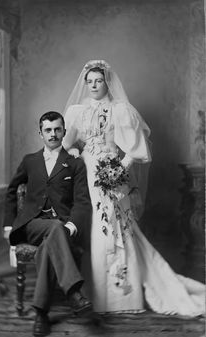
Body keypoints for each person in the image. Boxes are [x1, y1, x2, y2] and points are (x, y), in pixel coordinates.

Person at [62, 60, 205, 316]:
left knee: (116, 231)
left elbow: (136, 151)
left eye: (99, 80)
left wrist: (117, 172)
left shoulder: (121, 110)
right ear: (85, 84)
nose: (94, 85)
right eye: (90, 81)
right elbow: (67, 144)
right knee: (93, 230)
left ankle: (120, 299)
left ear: (107, 82)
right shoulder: (76, 111)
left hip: (112, 177)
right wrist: (77, 154)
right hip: (86, 178)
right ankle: (93, 295)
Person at [3, 111, 93, 337]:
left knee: (50, 243)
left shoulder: (75, 165)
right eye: (48, 130)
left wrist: (72, 226)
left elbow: (83, 202)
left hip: (61, 226)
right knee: (54, 228)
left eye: (57, 129)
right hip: (32, 224)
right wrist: (7, 224)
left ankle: (41, 314)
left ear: (64, 131)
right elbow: (12, 191)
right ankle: (73, 291)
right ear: (40, 133)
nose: (53, 134)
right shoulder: (30, 161)